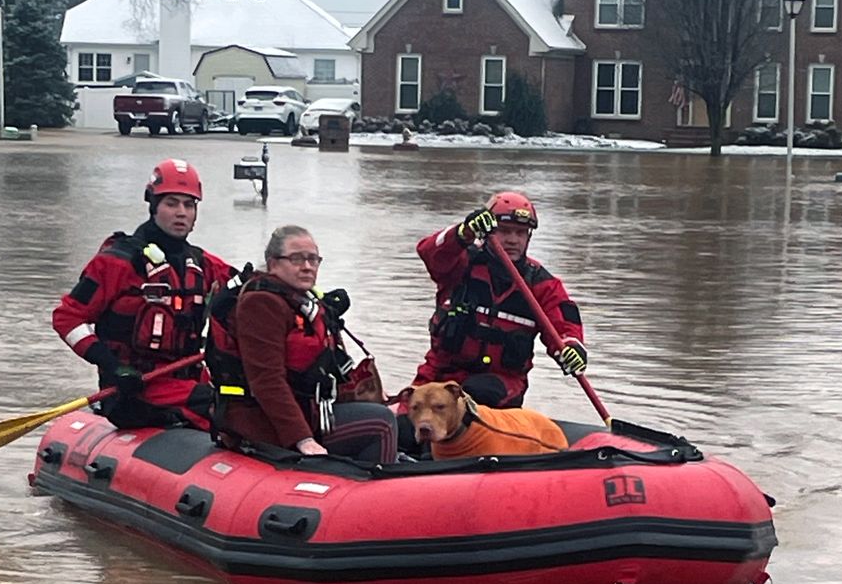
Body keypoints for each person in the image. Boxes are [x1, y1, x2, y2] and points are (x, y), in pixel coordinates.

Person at [52, 158, 235, 430]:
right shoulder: (116, 262)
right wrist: (113, 367)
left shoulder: (203, 264)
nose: (181, 213)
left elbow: (251, 292)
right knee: (221, 408)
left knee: (242, 399)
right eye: (171, 203)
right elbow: (67, 319)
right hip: (134, 389)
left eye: (189, 205)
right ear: (153, 206)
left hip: (189, 382)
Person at [205, 225, 398, 464]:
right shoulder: (261, 303)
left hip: (311, 409)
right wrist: (302, 439)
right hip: (263, 422)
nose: (307, 266)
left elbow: (327, 363)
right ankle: (376, 489)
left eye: (313, 259)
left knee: (398, 420)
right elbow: (266, 380)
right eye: (296, 259)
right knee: (381, 424)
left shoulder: (302, 300)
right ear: (273, 263)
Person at [411, 191, 587, 409]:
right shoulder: (461, 264)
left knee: (477, 392)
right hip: (440, 374)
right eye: (504, 231)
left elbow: (565, 325)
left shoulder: (543, 285)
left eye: (520, 233)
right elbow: (429, 251)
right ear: (488, 232)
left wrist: (571, 348)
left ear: (528, 237)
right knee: (406, 423)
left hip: (502, 383)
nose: (513, 240)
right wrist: (463, 232)